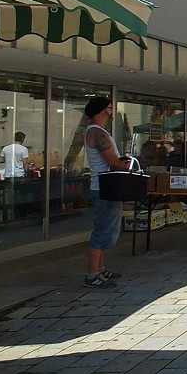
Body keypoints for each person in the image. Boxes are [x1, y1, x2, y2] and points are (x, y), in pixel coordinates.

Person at [83, 96, 129, 289]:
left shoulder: (96, 131)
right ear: (103, 110)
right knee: (102, 231)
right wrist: (124, 164)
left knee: (107, 230)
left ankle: (100, 268)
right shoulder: (97, 132)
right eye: (109, 108)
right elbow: (112, 161)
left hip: (105, 186)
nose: (112, 111)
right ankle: (93, 274)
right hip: (105, 186)